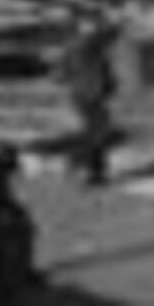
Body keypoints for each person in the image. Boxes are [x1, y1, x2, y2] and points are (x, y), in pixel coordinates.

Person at [57, 11, 120, 187]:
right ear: (82, 26)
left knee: (96, 131)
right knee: (97, 132)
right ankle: (80, 161)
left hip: (83, 94)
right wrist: (120, 18)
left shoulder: (72, 45)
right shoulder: (88, 42)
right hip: (90, 93)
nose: (95, 27)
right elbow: (109, 33)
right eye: (92, 24)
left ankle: (95, 171)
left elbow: (62, 74)